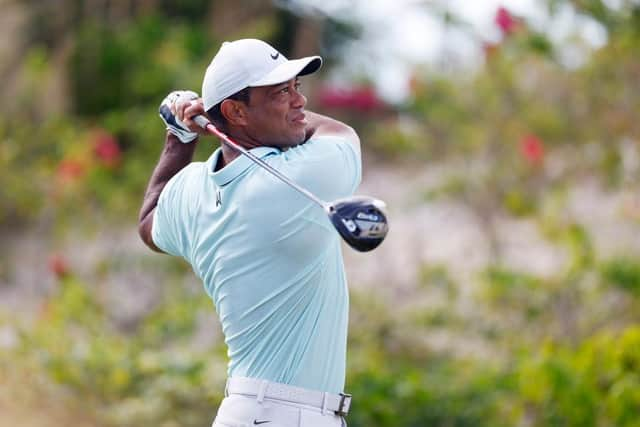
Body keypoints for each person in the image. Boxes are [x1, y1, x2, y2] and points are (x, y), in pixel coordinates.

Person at [138, 39, 361, 427]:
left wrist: (180, 136)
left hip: (244, 411)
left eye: (297, 88)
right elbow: (343, 134)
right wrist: (213, 122)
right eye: (281, 92)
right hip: (293, 415)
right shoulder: (296, 179)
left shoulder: (193, 191)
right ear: (236, 111)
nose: (300, 103)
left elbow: (149, 220)